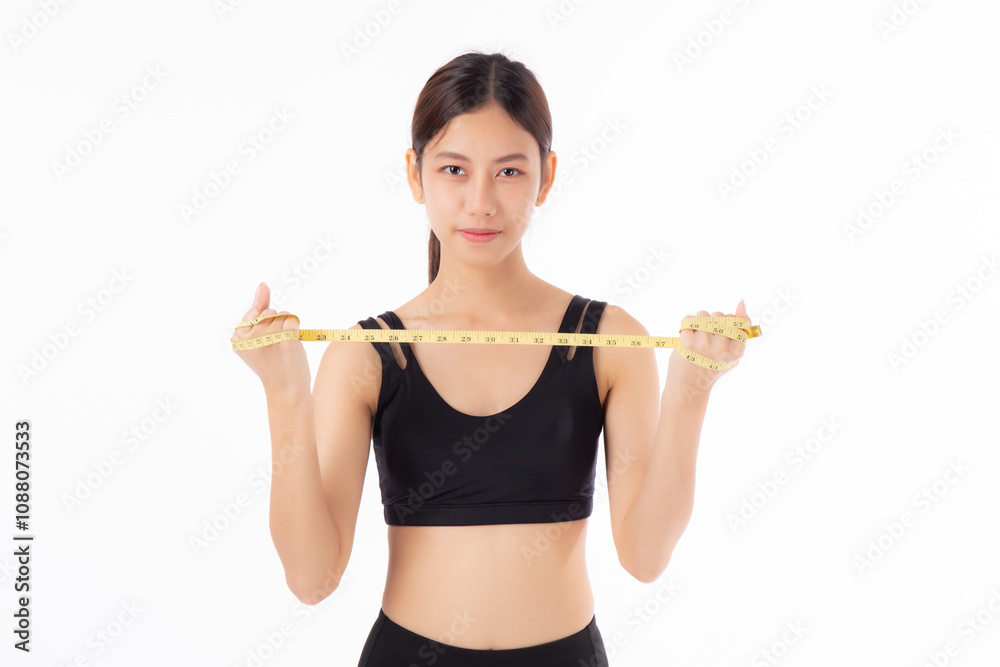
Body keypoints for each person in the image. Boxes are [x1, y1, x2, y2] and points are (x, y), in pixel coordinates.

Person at [232, 50, 748, 666]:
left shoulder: (609, 341)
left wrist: (691, 391)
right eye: (454, 169)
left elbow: (645, 557)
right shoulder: (366, 355)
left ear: (546, 177)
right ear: (415, 175)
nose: (480, 202)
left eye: (508, 172)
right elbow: (311, 579)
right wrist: (285, 393)